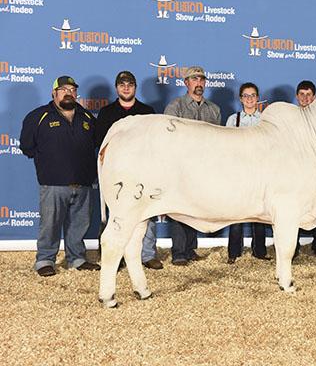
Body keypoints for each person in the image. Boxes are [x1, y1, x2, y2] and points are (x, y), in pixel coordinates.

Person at [19, 76, 100, 276]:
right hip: (53, 183)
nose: (68, 93)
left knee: (79, 225)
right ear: (54, 93)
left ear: (76, 94)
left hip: (83, 182)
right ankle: (45, 260)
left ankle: (77, 259)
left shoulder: (88, 117)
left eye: (72, 89)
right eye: (63, 89)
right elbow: (27, 147)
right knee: (50, 224)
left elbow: (96, 145)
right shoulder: (39, 116)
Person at [95, 71, 163, 270]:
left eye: (130, 84)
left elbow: (155, 142)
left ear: (135, 87)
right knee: (117, 214)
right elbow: (101, 144)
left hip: (143, 170)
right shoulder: (107, 113)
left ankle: (147, 254)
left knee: (147, 211)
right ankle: (117, 256)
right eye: (122, 84)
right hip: (117, 174)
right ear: (116, 88)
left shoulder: (147, 111)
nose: (126, 87)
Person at [164, 66, 221, 266]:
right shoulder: (176, 106)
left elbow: (218, 141)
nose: (199, 83)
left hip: (204, 168)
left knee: (196, 207)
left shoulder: (214, 109)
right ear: (186, 83)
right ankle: (179, 252)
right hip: (180, 167)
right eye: (194, 79)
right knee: (179, 208)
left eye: (202, 80)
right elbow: (168, 138)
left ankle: (190, 249)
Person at [225, 82, 270, 264]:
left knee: (259, 215)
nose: (249, 99)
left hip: (261, 173)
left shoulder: (266, 120)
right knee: (236, 215)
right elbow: (226, 147)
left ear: (258, 98)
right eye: (246, 95)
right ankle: (233, 252)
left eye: (253, 95)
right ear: (240, 98)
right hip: (239, 173)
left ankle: (259, 251)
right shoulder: (232, 120)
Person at [294, 80, 316, 259]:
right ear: (296, 96)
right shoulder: (290, 117)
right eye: (302, 94)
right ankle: (294, 244)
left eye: (309, 95)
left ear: (314, 97)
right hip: (296, 169)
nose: (305, 98)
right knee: (294, 206)